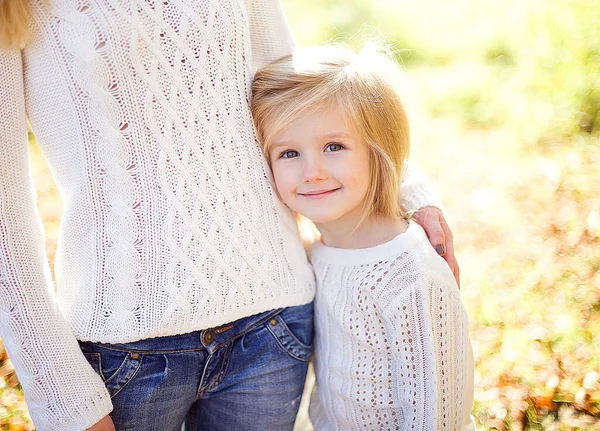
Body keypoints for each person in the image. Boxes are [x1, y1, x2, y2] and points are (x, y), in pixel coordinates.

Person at [0, 1, 457, 430]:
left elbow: (297, 92)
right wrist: (60, 394)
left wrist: (400, 184)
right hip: (124, 352)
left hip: (272, 325)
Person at [251, 44, 475, 430]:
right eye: (289, 153)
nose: (313, 171)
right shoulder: (316, 251)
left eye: (334, 146)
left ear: (379, 152)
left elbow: (438, 417)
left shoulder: (410, 276)